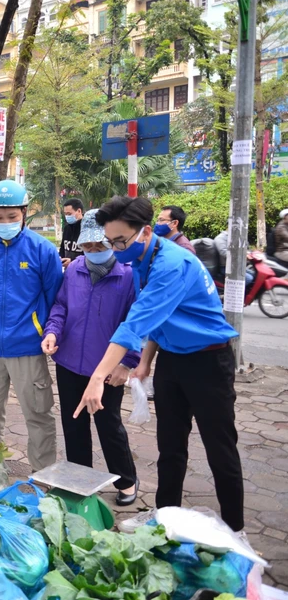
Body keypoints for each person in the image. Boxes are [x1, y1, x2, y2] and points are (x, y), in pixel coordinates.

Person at [81, 196, 243, 532]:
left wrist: (99, 375)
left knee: (219, 447)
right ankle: (164, 518)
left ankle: (235, 529)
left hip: (209, 361)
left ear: (144, 232)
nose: (114, 248)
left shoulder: (173, 264)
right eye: (111, 242)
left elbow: (135, 323)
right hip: (172, 359)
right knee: (169, 445)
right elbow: (159, 318)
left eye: (120, 241)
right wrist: (146, 362)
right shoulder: (144, 258)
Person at [41, 209, 139, 505]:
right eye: (88, 247)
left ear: (112, 243)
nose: (94, 252)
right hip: (70, 361)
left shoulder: (129, 275)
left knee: (108, 424)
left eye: (100, 246)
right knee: (74, 423)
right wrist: (52, 332)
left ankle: (126, 480)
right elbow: (60, 306)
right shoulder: (73, 270)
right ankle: (80, 481)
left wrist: (128, 362)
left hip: (107, 366)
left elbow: (136, 323)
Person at [0, 180, 63, 471]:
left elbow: (53, 293)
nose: (5, 222)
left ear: (24, 213)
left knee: (38, 413)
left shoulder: (42, 250)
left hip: (27, 346)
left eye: (12, 216)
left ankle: (43, 472)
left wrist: (37, 326)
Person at [60, 198, 84, 268]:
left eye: (69, 214)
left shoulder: (86, 229)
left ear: (79, 211)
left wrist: (73, 261)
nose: (67, 216)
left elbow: (90, 255)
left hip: (82, 271)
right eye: (65, 214)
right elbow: (62, 249)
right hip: (68, 271)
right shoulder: (67, 228)